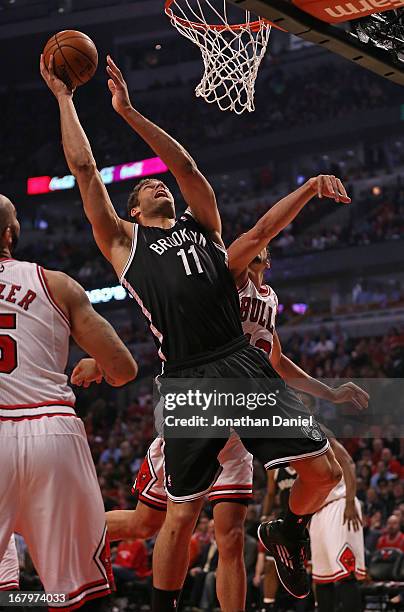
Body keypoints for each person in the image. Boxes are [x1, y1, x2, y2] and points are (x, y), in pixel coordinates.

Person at [41, 52, 367, 609]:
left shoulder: (207, 227)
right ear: (133, 209)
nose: (159, 185)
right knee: (179, 513)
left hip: (240, 361)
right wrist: (66, 98)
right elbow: (85, 172)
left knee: (322, 470)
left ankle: (284, 526)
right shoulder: (124, 243)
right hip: (189, 376)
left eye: (161, 183)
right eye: (148, 187)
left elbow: (191, 171)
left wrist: (130, 113)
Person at [0, 195, 138, 610]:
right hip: (53, 431)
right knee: (78, 595)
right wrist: (98, 366)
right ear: (10, 233)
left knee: (7, 592)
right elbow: (124, 368)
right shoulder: (57, 284)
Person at [310, 435, 366, 612]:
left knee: (346, 574)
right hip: (318, 512)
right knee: (322, 578)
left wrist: (349, 502)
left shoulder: (316, 430)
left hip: (339, 504)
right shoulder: (292, 444)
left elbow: (348, 462)